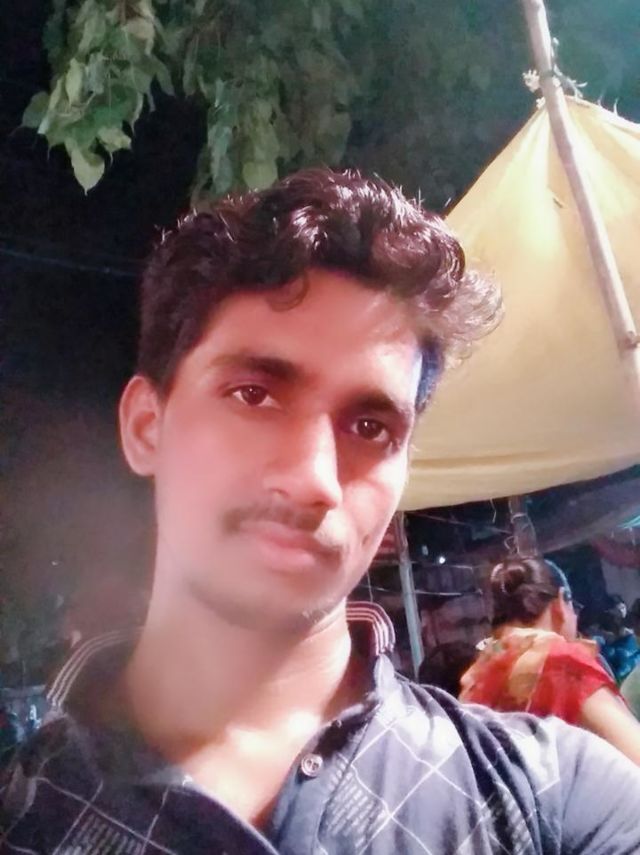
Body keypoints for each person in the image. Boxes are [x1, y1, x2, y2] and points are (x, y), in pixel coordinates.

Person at [1, 169, 639, 854]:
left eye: (370, 428)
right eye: (253, 394)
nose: (313, 480)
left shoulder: (552, 794)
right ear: (146, 427)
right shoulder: (23, 818)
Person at [460, 556, 640, 765]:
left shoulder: (477, 677)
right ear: (561, 602)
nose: (575, 618)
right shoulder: (561, 663)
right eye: (574, 607)